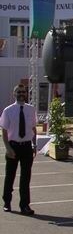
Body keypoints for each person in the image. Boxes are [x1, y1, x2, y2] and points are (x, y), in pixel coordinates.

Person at [2, 85, 37, 215]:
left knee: (25, 178)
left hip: (27, 147)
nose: (21, 94)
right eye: (18, 92)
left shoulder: (31, 109)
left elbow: (33, 129)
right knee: (10, 177)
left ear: (26, 94)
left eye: (23, 92)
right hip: (13, 147)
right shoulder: (8, 110)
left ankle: (25, 205)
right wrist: (8, 148)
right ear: (14, 94)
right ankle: (7, 202)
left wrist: (34, 145)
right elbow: (4, 131)